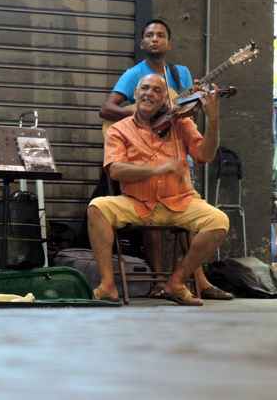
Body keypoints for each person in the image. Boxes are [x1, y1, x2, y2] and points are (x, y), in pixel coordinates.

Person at [98, 19, 233, 301]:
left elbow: (188, 118)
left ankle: (181, 281)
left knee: (215, 219)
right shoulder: (133, 77)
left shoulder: (179, 75)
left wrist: (210, 116)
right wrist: (145, 118)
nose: (155, 39)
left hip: (178, 188)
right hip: (140, 198)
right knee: (103, 210)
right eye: (150, 35)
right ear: (135, 93)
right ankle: (132, 283)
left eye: (161, 35)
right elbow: (108, 110)